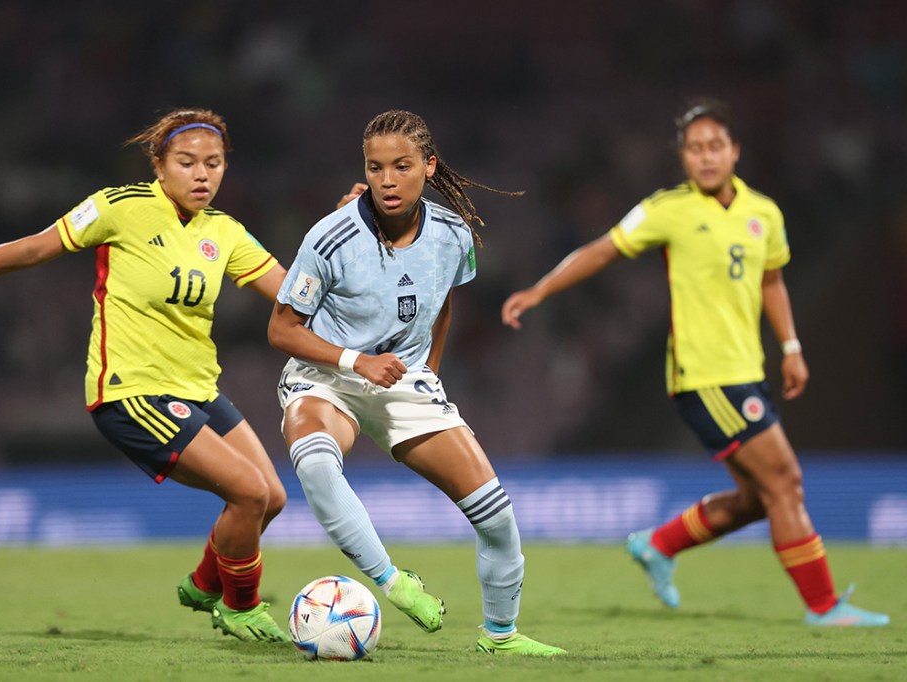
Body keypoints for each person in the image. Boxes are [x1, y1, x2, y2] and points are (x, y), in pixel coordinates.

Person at [0, 108, 292, 642]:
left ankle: (202, 583)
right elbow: (36, 247)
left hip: (198, 389)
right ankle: (239, 607)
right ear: (159, 164)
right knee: (248, 492)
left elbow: (294, 295)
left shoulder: (225, 231)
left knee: (272, 496)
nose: (202, 175)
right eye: (188, 162)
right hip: (130, 392)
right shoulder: (119, 207)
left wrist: (343, 234)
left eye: (214, 164)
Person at [501, 99, 889, 628]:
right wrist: (541, 290)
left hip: (746, 369)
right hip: (704, 376)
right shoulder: (668, 209)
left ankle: (659, 545)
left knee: (759, 498)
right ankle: (824, 606)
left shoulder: (764, 214)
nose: (705, 157)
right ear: (682, 157)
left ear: (734, 151)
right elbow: (603, 250)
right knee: (786, 482)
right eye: (694, 148)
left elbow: (771, 279)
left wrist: (792, 346)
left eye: (715, 146)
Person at [267, 109, 565, 657]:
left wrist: (429, 368)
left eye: (401, 166)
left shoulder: (453, 234)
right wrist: (358, 362)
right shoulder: (330, 238)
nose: (386, 180)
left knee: (496, 514)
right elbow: (282, 329)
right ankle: (390, 582)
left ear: (428, 166)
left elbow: (443, 301)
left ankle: (500, 636)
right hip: (327, 377)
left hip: (403, 379)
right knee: (314, 463)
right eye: (375, 167)